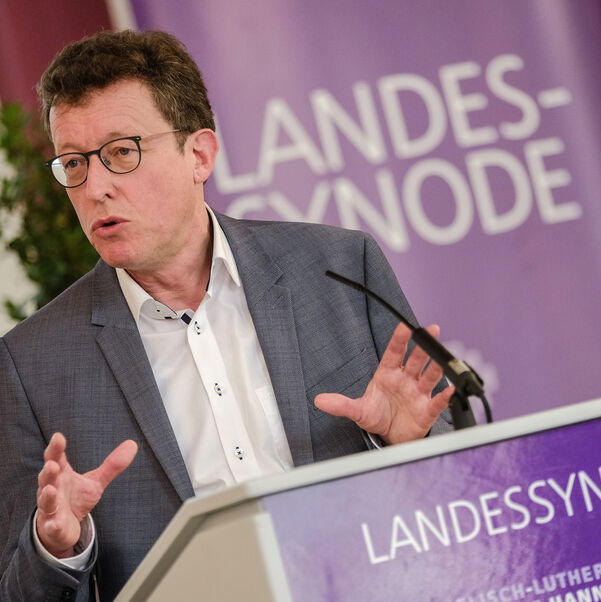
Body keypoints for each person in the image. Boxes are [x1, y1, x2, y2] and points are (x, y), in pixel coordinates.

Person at [0, 30, 453, 601]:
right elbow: (18, 588)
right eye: (73, 163)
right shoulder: (30, 365)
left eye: (121, 152)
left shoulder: (338, 268)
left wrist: (406, 443)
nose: (96, 188)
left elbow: (464, 487)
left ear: (199, 155)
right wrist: (58, 548)